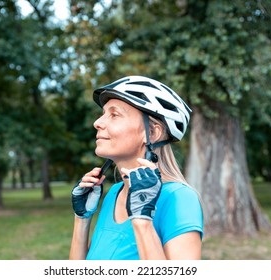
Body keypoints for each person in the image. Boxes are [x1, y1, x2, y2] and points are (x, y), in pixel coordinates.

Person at [69, 75, 203, 260]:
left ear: (152, 132)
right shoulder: (114, 194)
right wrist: (81, 219)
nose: (97, 123)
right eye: (103, 114)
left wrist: (142, 218)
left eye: (114, 115)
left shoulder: (178, 198)